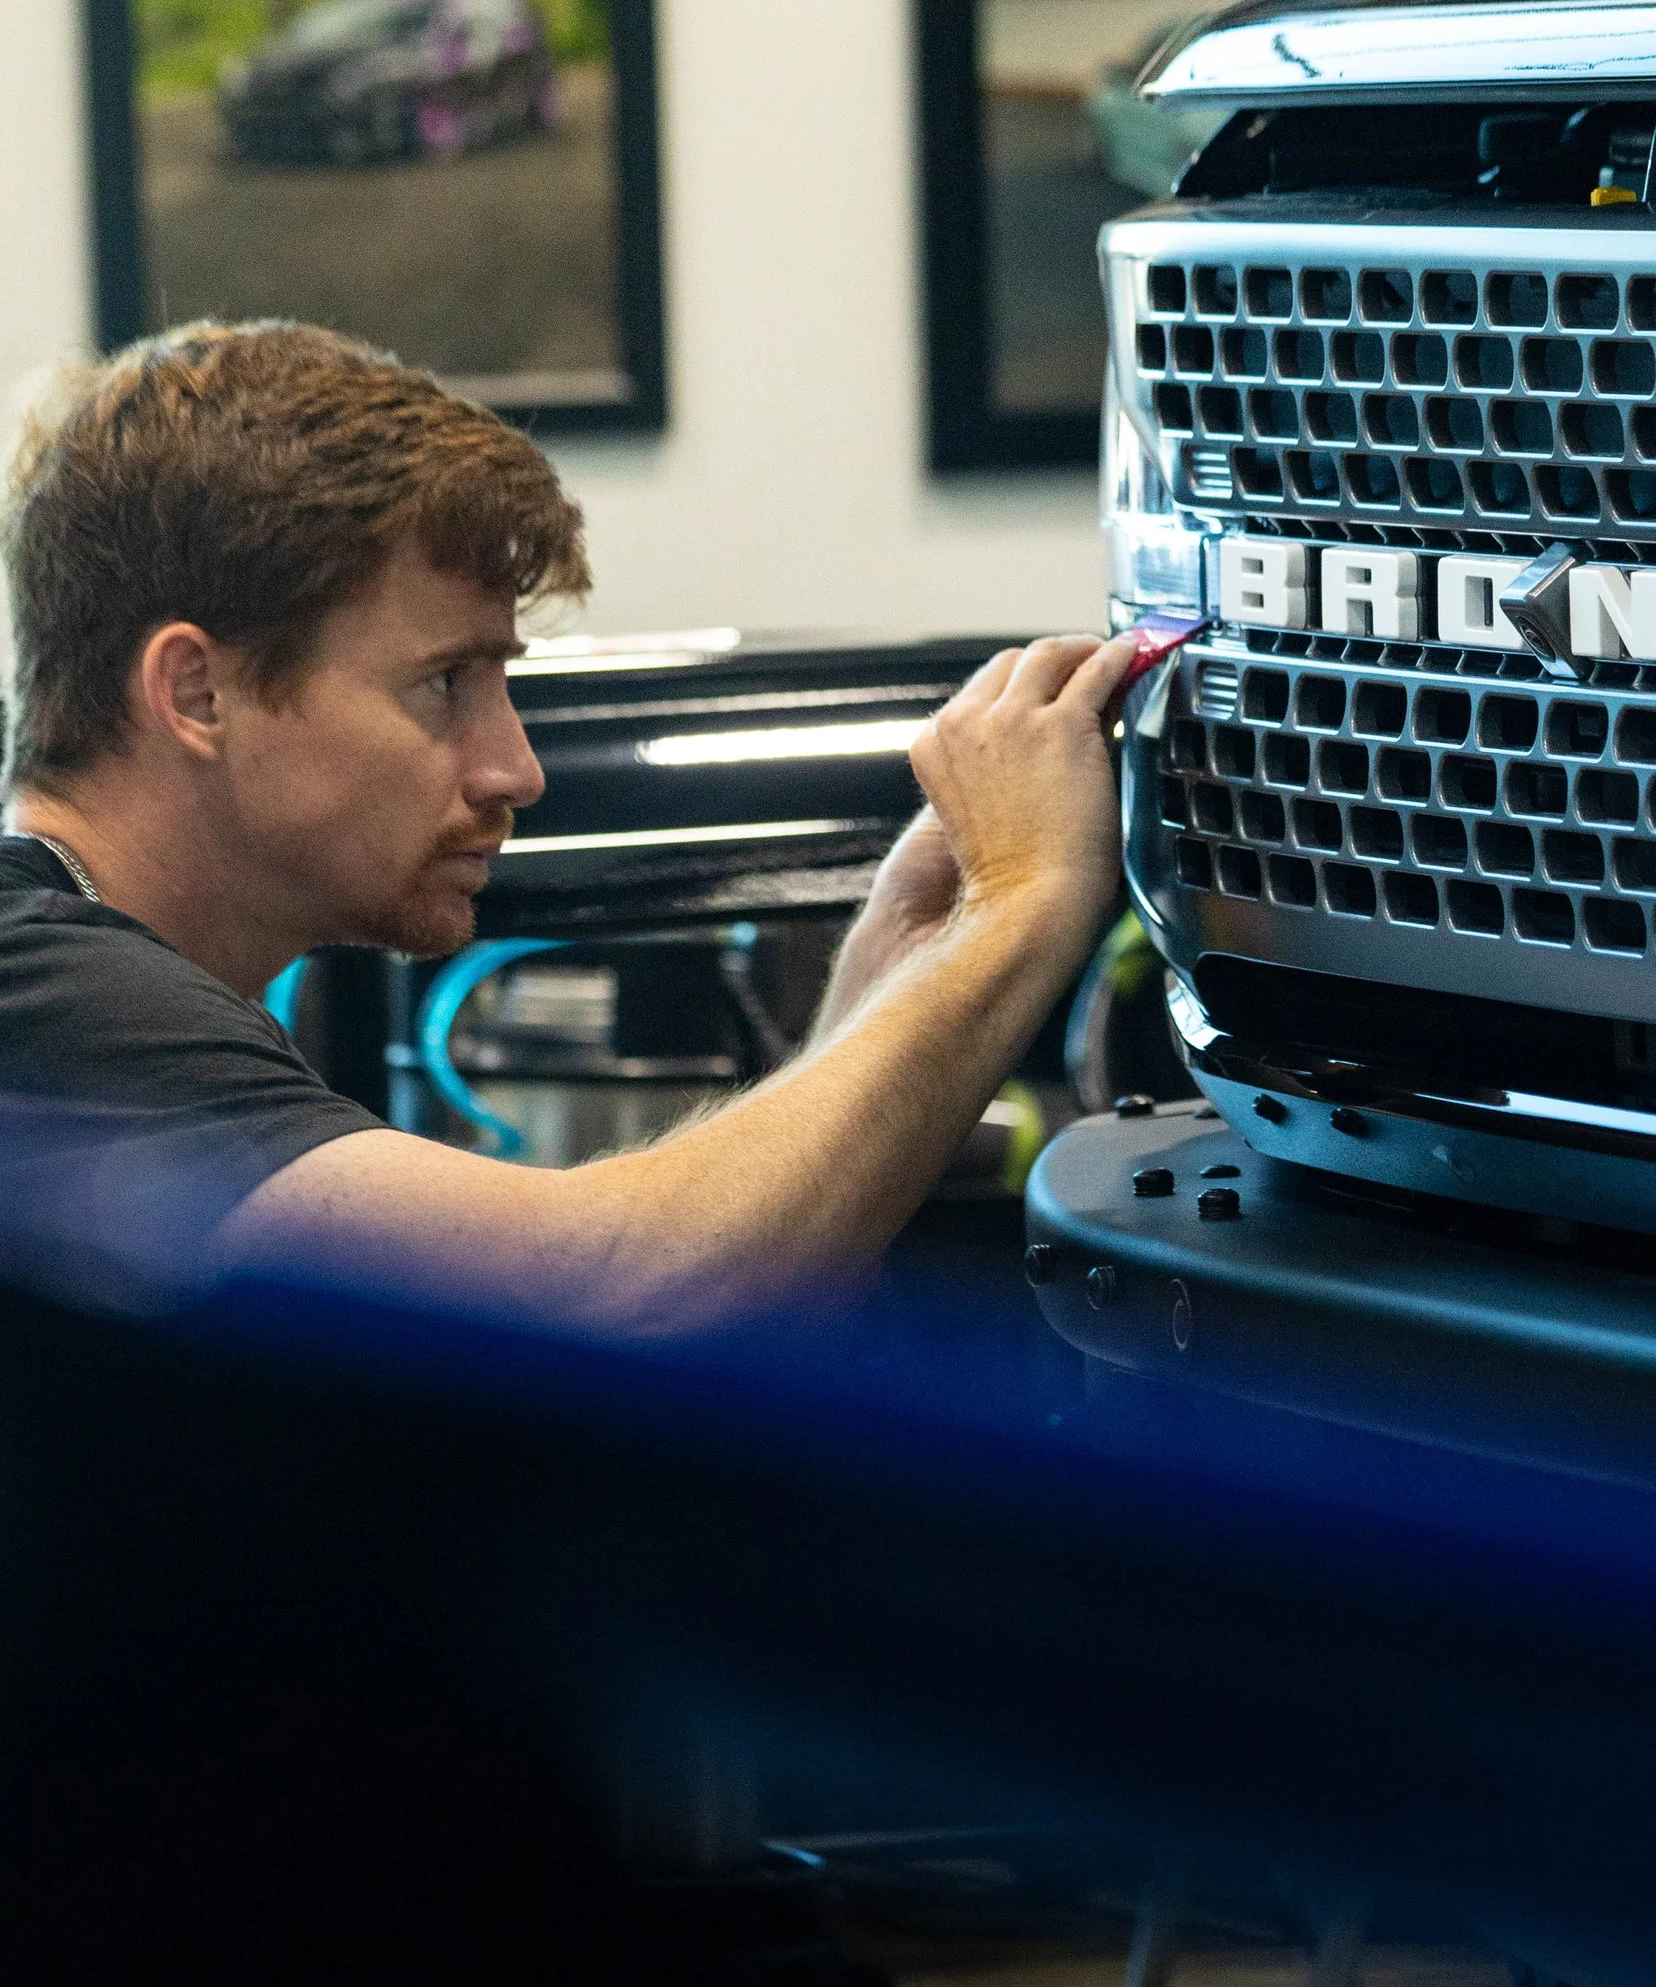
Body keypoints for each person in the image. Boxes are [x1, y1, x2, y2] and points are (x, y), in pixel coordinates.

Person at [0, 320, 1135, 1329]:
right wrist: (1022, 901)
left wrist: (885, 988)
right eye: (443, 682)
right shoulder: (37, 991)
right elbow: (604, 1290)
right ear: (196, 692)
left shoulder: (100, 996)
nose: (515, 766)